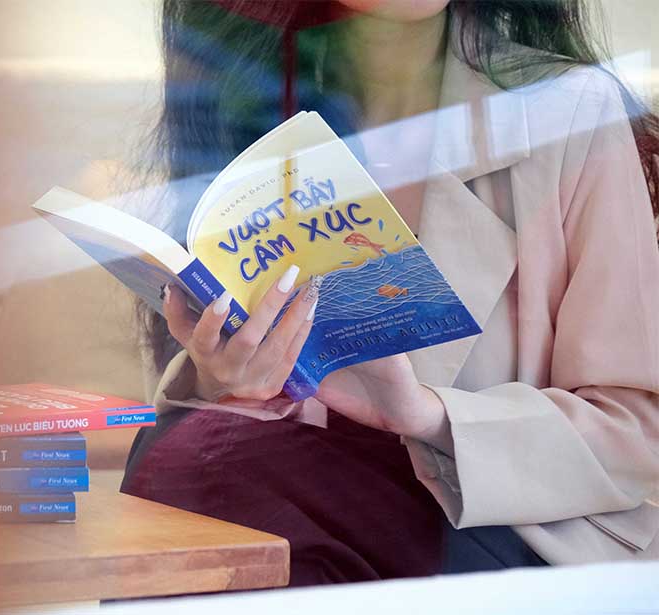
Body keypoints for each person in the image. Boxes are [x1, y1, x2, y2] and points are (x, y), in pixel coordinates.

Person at [120, 0, 659, 586]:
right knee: (186, 464)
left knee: (203, 475)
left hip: (502, 535)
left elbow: (637, 437)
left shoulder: (568, 107)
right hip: (291, 500)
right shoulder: (254, 104)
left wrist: (429, 417)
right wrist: (221, 379)